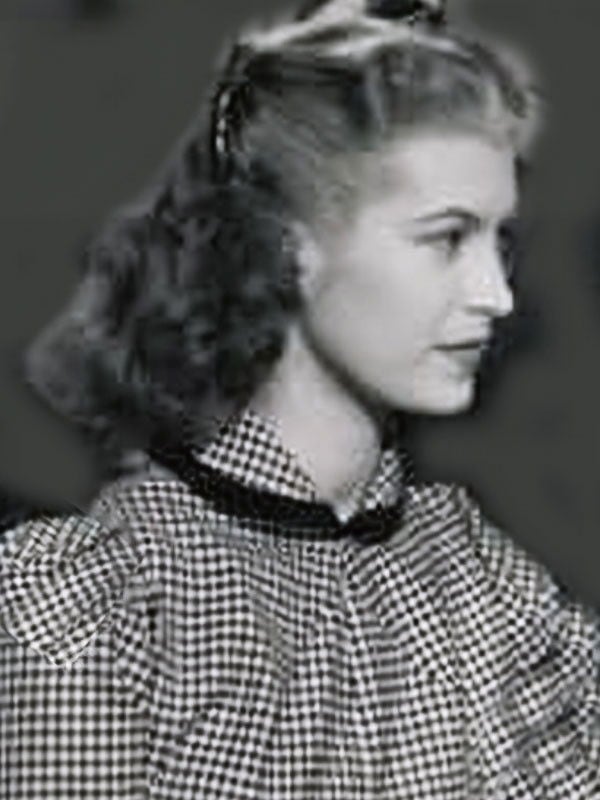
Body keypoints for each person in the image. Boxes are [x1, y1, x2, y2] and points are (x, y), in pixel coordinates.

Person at [1, 0, 599, 797]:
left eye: (502, 242)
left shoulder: (487, 579)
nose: (497, 294)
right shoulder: (105, 599)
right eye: (447, 237)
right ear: (289, 245)